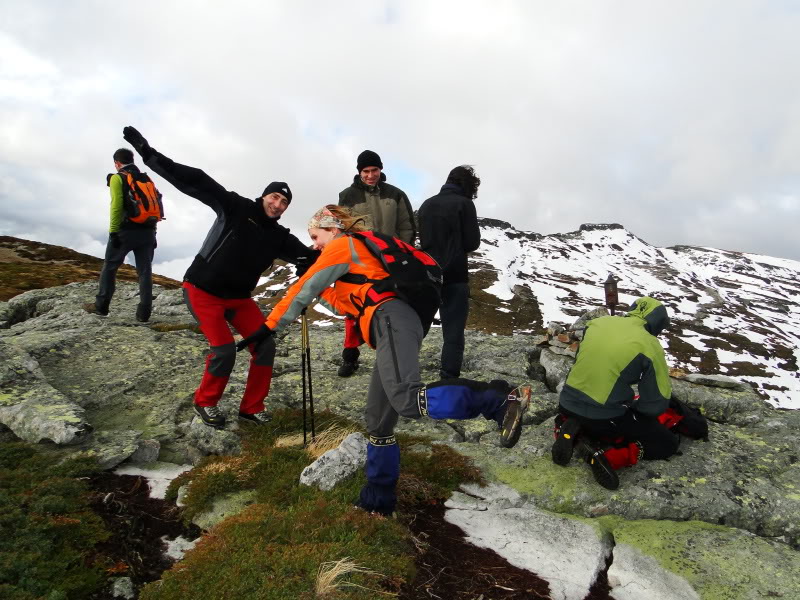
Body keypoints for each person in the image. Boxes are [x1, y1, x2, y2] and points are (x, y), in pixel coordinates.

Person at [237, 205, 529, 516]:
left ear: (333, 229)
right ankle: (377, 503)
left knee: (406, 398)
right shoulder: (360, 257)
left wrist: (269, 328)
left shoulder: (343, 245)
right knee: (378, 423)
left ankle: (497, 399)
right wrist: (320, 288)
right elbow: (342, 305)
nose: (314, 244)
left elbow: (302, 290)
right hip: (398, 322)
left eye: (315, 236)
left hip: (391, 319)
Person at [122, 126, 315, 429]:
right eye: (274, 197)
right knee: (224, 348)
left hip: (238, 299)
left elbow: (310, 258)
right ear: (264, 195)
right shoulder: (236, 207)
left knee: (265, 345)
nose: (277, 205)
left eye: (283, 203)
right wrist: (147, 153)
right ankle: (205, 402)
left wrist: (325, 252)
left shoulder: (280, 237)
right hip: (202, 290)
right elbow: (195, 180)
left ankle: (251, 408)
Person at [551, 297, 678, 490]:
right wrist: (636, 410)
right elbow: (656, 404)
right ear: (658, 323)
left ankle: (567, 427)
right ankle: (605, 456)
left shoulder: (598, 323)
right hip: (604, 417)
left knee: (596, 415)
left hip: (567, 402)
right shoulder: (649, 345)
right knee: (666, 443)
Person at [335, 150, 416, 377]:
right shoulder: (347, 195)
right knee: (354, 309)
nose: (371, 175)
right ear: (359, 172)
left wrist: (400, 253)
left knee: (392, 308)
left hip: (391, 262)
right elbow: (344, 229)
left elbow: (407, 226)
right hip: (360, 262)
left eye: (375, 170)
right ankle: (350, 358)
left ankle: (391, 358)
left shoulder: (396, 194)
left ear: (381, 169)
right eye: (366, 171)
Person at [418, 165, 481, 379]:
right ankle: (448, 378)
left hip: (428, 275)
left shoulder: (427, 205)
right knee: (453, 332)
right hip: (455, 274)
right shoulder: (465, 204)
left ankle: (404, 369)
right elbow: (473, 242)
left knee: (418, 326)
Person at [95, 148, 158, 322]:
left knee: (110, 267)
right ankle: (144, 313)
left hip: (125, 231)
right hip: (148, 231)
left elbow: (116, 206)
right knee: (145, 271)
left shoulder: (117, 177)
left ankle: (101, 307)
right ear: (132, 160)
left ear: (117, 163)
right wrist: (153, 232)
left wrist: (113, 231)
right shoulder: (146, 179)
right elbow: (155, 204)